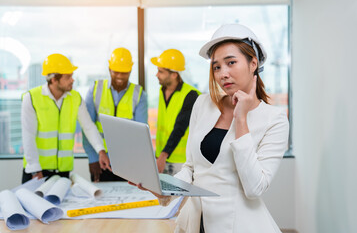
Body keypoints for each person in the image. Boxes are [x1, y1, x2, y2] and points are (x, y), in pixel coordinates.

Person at [136, 24, 289, 232]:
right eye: (217, 67)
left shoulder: (274, 120)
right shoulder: (203, 104)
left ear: (253, 63)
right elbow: (190, 168)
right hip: (195, 223)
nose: (223, 73)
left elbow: (255, 188)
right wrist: (165, 190)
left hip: (238, 226)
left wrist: (241, 119)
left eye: (231, 63)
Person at [21, 53, 110, 184]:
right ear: (53, 80)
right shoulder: (32, 98)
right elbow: (28, 136)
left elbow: (88, 127)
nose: (72, 80)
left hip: (63, 172)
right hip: (37, 171)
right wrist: (35, 169)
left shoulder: (75, 98)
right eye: (68, 77)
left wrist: (101, 151)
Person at [83, 47, 148, 182]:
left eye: (124, 73)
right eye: (116, 72)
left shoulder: (139, 94)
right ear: (109, 69)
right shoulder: (95, 90)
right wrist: (93, 159)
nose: (119, 76)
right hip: (101, 163)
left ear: (130, 70)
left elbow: (140, 134)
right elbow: (87, 127)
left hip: (128, 164)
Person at [151, 49, 200, 175]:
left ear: (174, 74)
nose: (157, 75)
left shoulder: (190, 95)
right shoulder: (162, 91)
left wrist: (163, 155)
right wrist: (159, 155)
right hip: (163, 157)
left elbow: (180, 128)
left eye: (161, 72)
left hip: (181, 162)